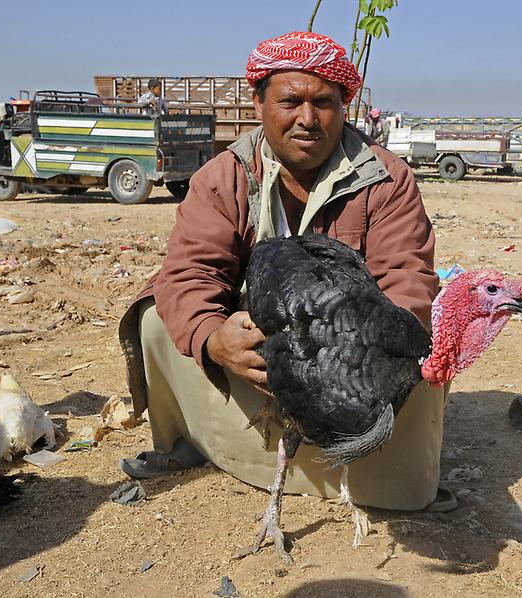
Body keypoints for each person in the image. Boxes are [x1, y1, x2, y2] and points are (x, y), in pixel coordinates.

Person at [117, 31, 454, 512]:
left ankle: (367, 468)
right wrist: (214, 338)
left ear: (344, 105)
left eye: (324, 102)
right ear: (259, 102)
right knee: (157, 318)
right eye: (290, 100)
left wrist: (357, 359)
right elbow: (189, 273)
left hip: (351, 361)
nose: (308, 119)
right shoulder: (224, 177)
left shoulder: (386, 179)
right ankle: (189, 440)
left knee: (421, 355)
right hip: (260, 351)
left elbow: (407, 280)